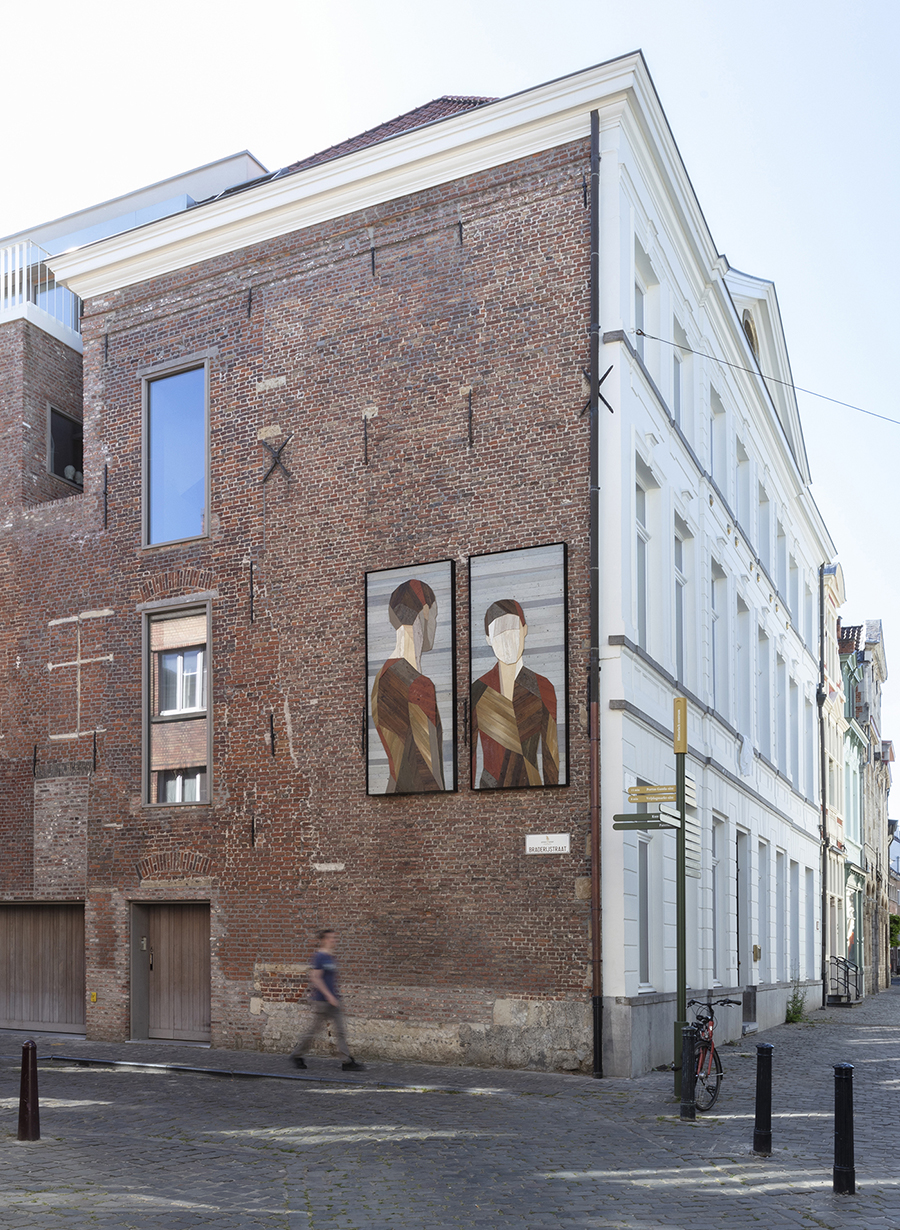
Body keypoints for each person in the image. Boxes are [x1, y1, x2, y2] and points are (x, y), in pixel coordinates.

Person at [471, 598, 559, 788]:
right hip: (489, 791)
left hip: (531, 785)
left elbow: (550, 754)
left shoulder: (543, 687)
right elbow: (468, 756)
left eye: (513, 630)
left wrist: (551, 794)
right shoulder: (477, 690)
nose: (507, 641)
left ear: (524, 630)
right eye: (499, 633)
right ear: (488, 640)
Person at [370, 578, 445, 793]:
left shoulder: (382, 677)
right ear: (425, 611)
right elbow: (429, 773)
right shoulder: (418, 685)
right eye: (436, 615)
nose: (436, 624)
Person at [289, 929, 365, 1071]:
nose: (333, 940)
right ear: (324, 939)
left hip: (333, 1001)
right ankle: (296, 1055)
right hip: (322, 1002)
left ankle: (346, 1061)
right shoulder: (320, 957)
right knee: (313, 1032)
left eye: (334, 938)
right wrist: (328, 995)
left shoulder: (331, 957)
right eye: (330, 938)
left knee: (341, 1031)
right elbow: (315, 978)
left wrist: (334, 995)